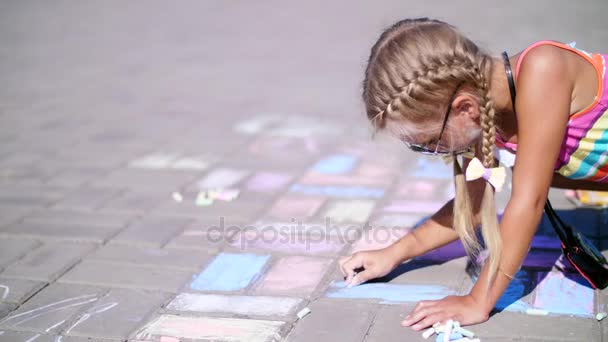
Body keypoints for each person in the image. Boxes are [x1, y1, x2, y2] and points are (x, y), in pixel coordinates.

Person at [339, 17, 608, 331]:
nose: (432, 153)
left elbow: (528, 200)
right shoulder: (482, 114)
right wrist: (394, 254)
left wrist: (478, 300)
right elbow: (473, 204)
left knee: (529, 173)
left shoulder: (544, 69)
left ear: (464, 108)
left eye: (427, 144)